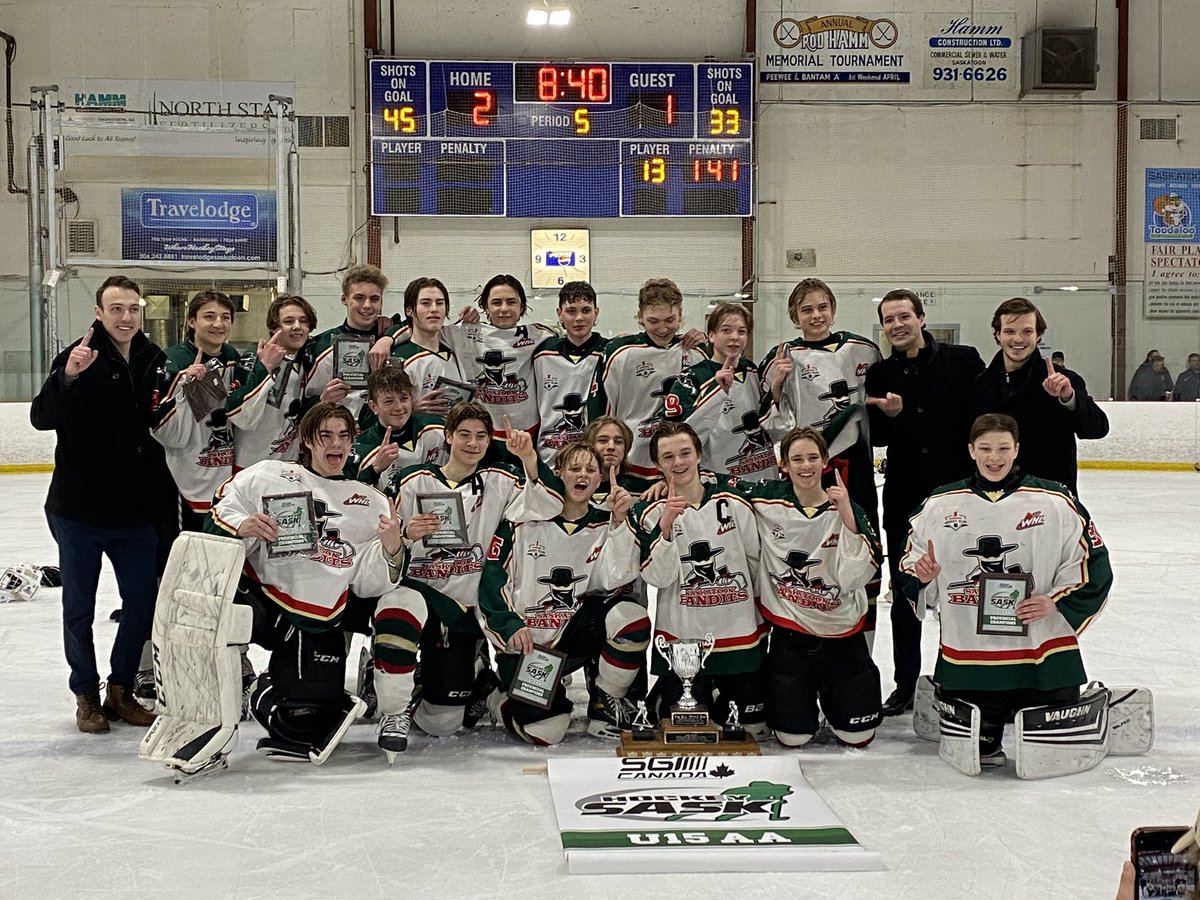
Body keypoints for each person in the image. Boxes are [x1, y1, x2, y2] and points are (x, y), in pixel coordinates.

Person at [898, 413, 1113, 768]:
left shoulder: (1055, 500)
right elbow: (909, 569)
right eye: (985, 448)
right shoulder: (939, 504)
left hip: (1041, 659)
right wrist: (922, 576)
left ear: (1017, 450)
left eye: (1002, 448)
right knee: (981, 754)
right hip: (969, 660)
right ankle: (961, 701)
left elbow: (1095, 566)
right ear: (971, 451)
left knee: (1051, 751)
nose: (993, 457)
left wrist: (1054, 601)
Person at [206, 402, 411, 763]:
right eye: (326, 435)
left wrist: (392, 548)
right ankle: (238, 678)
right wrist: (243, 525)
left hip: (325, 612)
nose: (336, 444)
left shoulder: (371, 500)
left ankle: (271, 691)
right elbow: (221, 507)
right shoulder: (269, 474)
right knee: (218, 601)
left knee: (307, 717)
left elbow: (367, 581)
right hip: (266, 604)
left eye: (344, 436)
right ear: (307, 440)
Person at [368, 402, 563, 756]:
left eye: (481, 436)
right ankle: (393, 706)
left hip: (466, 614)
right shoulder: (414, 481)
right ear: (447, 436)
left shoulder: (502, 480)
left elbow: (550, 505)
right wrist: (406, 533)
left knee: (441, 722)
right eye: (464, 435)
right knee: (398, 602)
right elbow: (382, 539)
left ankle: (474, 677)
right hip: (422, 598)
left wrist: (530, 459)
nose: (472, 443)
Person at [30, 274, 175, 733]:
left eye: (133, 308)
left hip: (135, 512)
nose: (126, 317)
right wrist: (68, 375)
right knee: (79, 607)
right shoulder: (78, 356)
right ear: (99, 312)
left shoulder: (155, 359)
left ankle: (121, 688)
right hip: (79, 511)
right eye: (116, 309)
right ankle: (86, 695)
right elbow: (41, 418)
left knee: (142, 602)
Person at [864, 288, 985, 717]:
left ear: (920, 317)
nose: (897, 325)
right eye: (889, 320)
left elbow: (985, 416)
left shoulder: (963, 360)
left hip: (959, 496)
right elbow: (875, 437)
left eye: (903, 316)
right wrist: (889, 418)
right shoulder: (879, 374)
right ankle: (905, 685)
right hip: (904, 499)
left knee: (963, 589)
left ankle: (967, 678)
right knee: (906, 593)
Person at [478, 443, 648, 744]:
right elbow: (492, 582)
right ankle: (497, 698)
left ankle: (606, 702)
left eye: (591, 470)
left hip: (572, 637)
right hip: (527, 646)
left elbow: (617, 578)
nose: (582, 475)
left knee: (630, 618)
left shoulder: (605, 522)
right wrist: (510, 625)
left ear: (599, 480)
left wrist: (621, 521)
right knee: (545, 732)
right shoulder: (523, 522)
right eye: (574, 468)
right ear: (559, 474)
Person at [733, 426, 883, 748]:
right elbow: (718, 485)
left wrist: (847, 518)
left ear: (825, 461)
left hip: (842, 634)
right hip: (792, 635)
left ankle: (834, 698)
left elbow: (857, 576)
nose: (806, 466)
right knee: (792, 736)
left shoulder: (846, 508)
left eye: (813, 457)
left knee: (858, 735)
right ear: (783, 464)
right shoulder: (766, 497)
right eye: (797, 459)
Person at [760, 277, 883, 643]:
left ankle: (861, 641)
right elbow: (772, 425)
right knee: (811, 547)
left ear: (833, 308)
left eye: (822, 307)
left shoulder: (864, 349)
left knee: (858, 539)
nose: (816, 315)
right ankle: (803, 629)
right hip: (807, 467)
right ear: (794, 316)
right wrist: (778, 387)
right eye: (807, 309)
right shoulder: (782, 356)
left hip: (854, 464)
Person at [630, 422, 766, 732]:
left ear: (699, 455)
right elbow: (658, 577)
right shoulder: (649, 511)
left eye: (684, 453)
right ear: (657, 464)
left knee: (751, 728)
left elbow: (756, 563)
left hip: (739, 641)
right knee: (684, 728)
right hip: (682, 640)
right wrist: (664, 530)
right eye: (668, 457)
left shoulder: (733, 501)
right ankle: (665, 695)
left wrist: (762, 619)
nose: (678, 463)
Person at [973, 297, 1109, 497]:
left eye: (1027, 331)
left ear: (1038, 336)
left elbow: (1097, 429)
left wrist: (1068, 398)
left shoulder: (1064, 380)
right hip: (995, 498)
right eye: (1010, 331)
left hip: (1050, 498)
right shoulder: (981, 385)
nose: (1018, 339)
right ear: (997, 336)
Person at [589, 277, 707, 479]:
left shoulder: (697, 353)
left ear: (681, 316)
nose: (662, 329)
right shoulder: (619, 353)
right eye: (653, 321)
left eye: (670, 320)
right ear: (640, 317)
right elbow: (600, 413)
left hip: (679, 465)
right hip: (631, 464)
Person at [150, 290, 246, 531]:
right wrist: (184, 386)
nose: (218, 324)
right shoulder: (172, 361)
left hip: (221, 474)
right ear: (192, 321)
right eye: (209, 316)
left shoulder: (231, 356)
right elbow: (162, 428)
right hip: (183, 476)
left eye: (225, 317)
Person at [665, 303, 782, 481]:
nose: (734, 337)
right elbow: (680, 436)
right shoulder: (692, 378)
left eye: (741, 332)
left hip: (763, 475)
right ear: (711, 335)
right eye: (726, 330)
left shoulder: (752, 371)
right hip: (719, 481)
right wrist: (716, 393)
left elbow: (771, 423)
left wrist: (776, 389)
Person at [226, 294, 318, 468]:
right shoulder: (253, 358)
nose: (297, 327)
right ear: (274, 328)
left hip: (289, 465)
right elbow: (240, 417)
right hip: (251, 465)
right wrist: (264, 368)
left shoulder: (307, 358)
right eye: (289, 321)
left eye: (303, 321)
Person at [303, 264, 393, 421]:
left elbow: (411, 326)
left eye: (374, 299)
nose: (367, 305)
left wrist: (388, 338)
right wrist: (322, 400)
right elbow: (300, 405)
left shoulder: (391, 338)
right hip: (336, 436)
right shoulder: (321, 345)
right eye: (359, 298)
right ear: (344, 299)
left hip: (380, 436)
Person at [533, 281, 608, 463]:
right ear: (559, 314)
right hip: (549, 459)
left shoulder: (611, 352)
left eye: (586, 310)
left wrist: (681, 339)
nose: (579, 318)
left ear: (596, 312)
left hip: (594, 460)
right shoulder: (541, 352)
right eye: (571, 311)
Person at [349, 366, 446, 489]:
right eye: (389, 401)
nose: (399, 407)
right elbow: (349, 498)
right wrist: (374, 470)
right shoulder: (361, 449)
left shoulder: (438, 429)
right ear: (374, 407)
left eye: (403, 398)